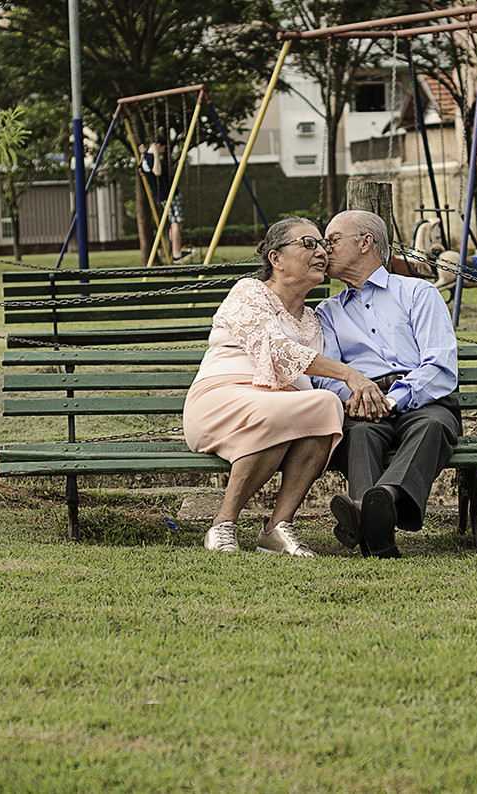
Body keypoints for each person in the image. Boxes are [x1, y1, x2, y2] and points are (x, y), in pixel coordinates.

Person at [183, 216, 387, 556]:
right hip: (220, 399)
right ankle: (223, 523)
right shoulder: (249, 292)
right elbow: (276, 350)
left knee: (325, 405)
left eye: (323, 244)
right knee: (282, 410)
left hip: (278, 407)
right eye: (308, 244)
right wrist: (351, 376)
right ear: (275, 259)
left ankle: (277, 527)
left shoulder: (313, 320)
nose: (321, 251)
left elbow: (315, 382)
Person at [312, 210, 461, 559]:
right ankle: (377, 526)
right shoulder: (327, 312)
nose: (323, 249)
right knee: (359, 433)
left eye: (332, 240)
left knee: (433, 426)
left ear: (366, 243)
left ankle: (373, 504)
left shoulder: (418, 293)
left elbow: (440, 365)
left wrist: (392, 398)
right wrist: (354, 397)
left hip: (422, 397)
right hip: (360, 403)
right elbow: (324, 375)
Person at [140, 136, 190, 264]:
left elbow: (142, 170)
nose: (164, 150)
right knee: (177, 222)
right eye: (163, 147)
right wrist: (156, 155)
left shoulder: (145, 158)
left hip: (164, 196)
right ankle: (177, 254)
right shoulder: (152, 158)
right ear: (158, 146)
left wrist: (142, 154)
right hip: (169, 195)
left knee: (175, 221)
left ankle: (175, 250)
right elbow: (157, 172)